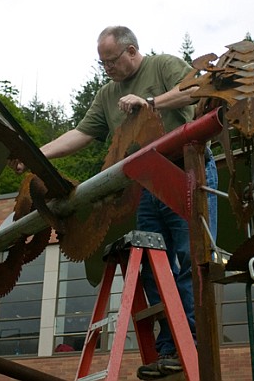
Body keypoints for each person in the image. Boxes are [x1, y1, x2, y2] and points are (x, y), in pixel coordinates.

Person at [13, 26, 218, 379]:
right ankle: (171, 346)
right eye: (101, 63)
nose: (106, 69)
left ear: (132, 51)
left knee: (188, 258)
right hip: (146, 185)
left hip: (188, 172)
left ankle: (195, 340)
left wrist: (150, 102)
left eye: (111, 61)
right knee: (155, 267)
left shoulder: (163, 66)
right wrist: (34, 154)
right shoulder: (107, 94)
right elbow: (81, 133)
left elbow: (198, 90)